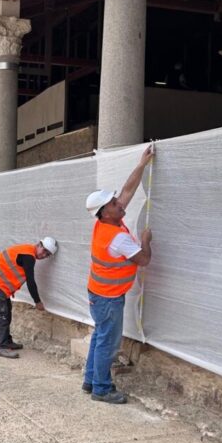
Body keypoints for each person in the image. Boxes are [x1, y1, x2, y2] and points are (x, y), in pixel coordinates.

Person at [83, 146, 154, 404]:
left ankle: (91, 380)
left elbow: (127, 190)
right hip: (109, 298)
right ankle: (102, 389)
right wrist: (146, 240)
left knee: (99, 337)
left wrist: (141, 164)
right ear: (105, 212)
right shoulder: (118, 238)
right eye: (114, 204)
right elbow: (143, 260)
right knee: (108, 343)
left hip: (98, 294)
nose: (119, 203)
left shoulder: (106, 222)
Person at [0, 237, 58, 359]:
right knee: (1, 313)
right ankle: (2, 347)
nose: (44, 255)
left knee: (7, 311)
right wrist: (37, 301)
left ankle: (7, 342)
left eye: (47, 254)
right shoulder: (28, 256)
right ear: (39, 244)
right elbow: (31, 282)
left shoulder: (27, 251)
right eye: (44, 251)